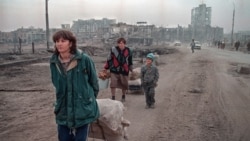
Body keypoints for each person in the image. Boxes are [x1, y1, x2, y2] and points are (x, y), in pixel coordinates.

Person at [50, 30, 99, 141]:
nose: (59, 44)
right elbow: (55, 83)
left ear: (71, 43)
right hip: (63, 109)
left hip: (82, 109)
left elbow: (94, 83)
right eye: (57, 41)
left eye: (63, 41)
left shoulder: (84, 60)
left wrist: (87, 100)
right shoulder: (54, 62)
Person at [104, 37, 133, 102]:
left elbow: (130, 61)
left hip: (124, 70)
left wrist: (131, 69)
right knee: (113, 84)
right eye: (119, 43)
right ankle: (113, 97)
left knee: (124, 84)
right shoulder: (113, 50)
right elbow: (109, 59)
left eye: (122, 43)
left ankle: (123, 96)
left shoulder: (128, 50)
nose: (120, 44)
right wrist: (106, 68)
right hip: (114, 70)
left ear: (124, 44)